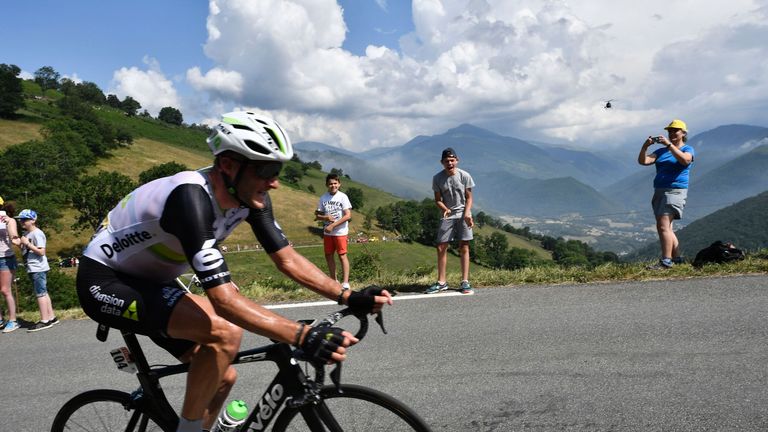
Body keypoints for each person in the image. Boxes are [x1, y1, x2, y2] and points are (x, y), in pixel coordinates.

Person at [75, 111, 393, 432]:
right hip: (106, 281)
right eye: (266, 170)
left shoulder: (250, 197)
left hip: (154, 281)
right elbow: (225, 302)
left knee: (223, 375)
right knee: (226, 332)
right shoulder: (190, 199)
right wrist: (303, 335)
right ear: (228, 165)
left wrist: (349, 297)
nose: (275, 182)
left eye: (278, 169)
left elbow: (287, 260)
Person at [638, 119, 695, 270]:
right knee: (667, 228)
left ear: (683, 133)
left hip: (674, 191)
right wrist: (645, 146)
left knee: (663, 227)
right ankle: (677, 259)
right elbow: (643, 161)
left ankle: (666, 261)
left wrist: (669, 145)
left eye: (675, 130)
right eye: (669, 131)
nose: (671, 133)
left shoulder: (688, 149)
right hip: (660, 191)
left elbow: (685, 161)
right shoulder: (661, 151)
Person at [426, 147, 476, 294]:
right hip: (447, 215)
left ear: (457, 161)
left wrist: (467, 214)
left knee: (464, 246)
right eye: (447, 161)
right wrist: (444, 209)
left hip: (463, 213)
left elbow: (469, 198)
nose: (450, 163)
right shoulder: (437, 178)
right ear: (442, 162)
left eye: (452, 160)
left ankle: (465, 281)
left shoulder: (465, 176)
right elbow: (437, 200)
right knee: (441, 246)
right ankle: (442, 282)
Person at [15, 208, 59, 331]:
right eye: (20, 220)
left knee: (40, 294)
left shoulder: (37, 233)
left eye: (24, 220)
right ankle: (51, 317)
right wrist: (20, 243)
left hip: (37, 267)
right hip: (32, 266)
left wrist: (27, 244)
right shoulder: (27, 234)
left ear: (33, 220)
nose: (22, 222)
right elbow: (27, 249)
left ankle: (44, 320)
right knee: (44, 292)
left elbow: (41, 251)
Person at [314, 173, 352, 289]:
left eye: (335, 183)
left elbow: (348, 215)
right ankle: (333, 280)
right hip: (328, 233)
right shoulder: (323, 198)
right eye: (330, 183)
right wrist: (325, 218)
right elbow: (317, 215)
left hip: (340, 232)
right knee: (328, 255)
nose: (333, 185)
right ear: (326, 184)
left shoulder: (343, 197)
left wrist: (333, 225)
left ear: (339, 184)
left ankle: (345, 282)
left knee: (342, 256)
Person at [0, 197, 21, 333]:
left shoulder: (9, 220)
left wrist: (14, 236)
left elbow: (15, 238)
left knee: (5, 290)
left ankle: (13, 320)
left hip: (5, 258)